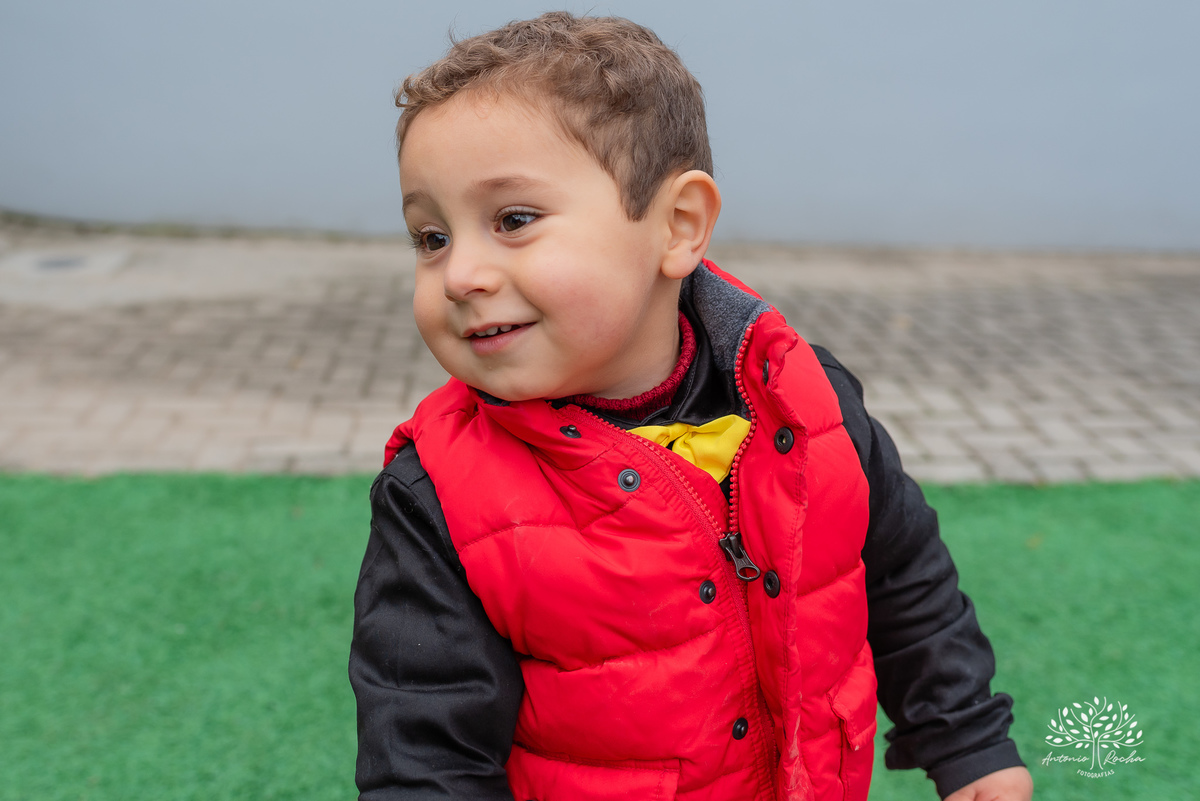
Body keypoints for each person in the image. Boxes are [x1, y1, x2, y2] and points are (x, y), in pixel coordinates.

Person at [349, 11, 1033, 801]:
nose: (460, 272)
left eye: (513, 220)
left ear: (677, 226)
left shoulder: (804, 399)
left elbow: (901, 572)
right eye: (430, 237)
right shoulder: (438, 494)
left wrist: (968, 736)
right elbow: (424, 754)